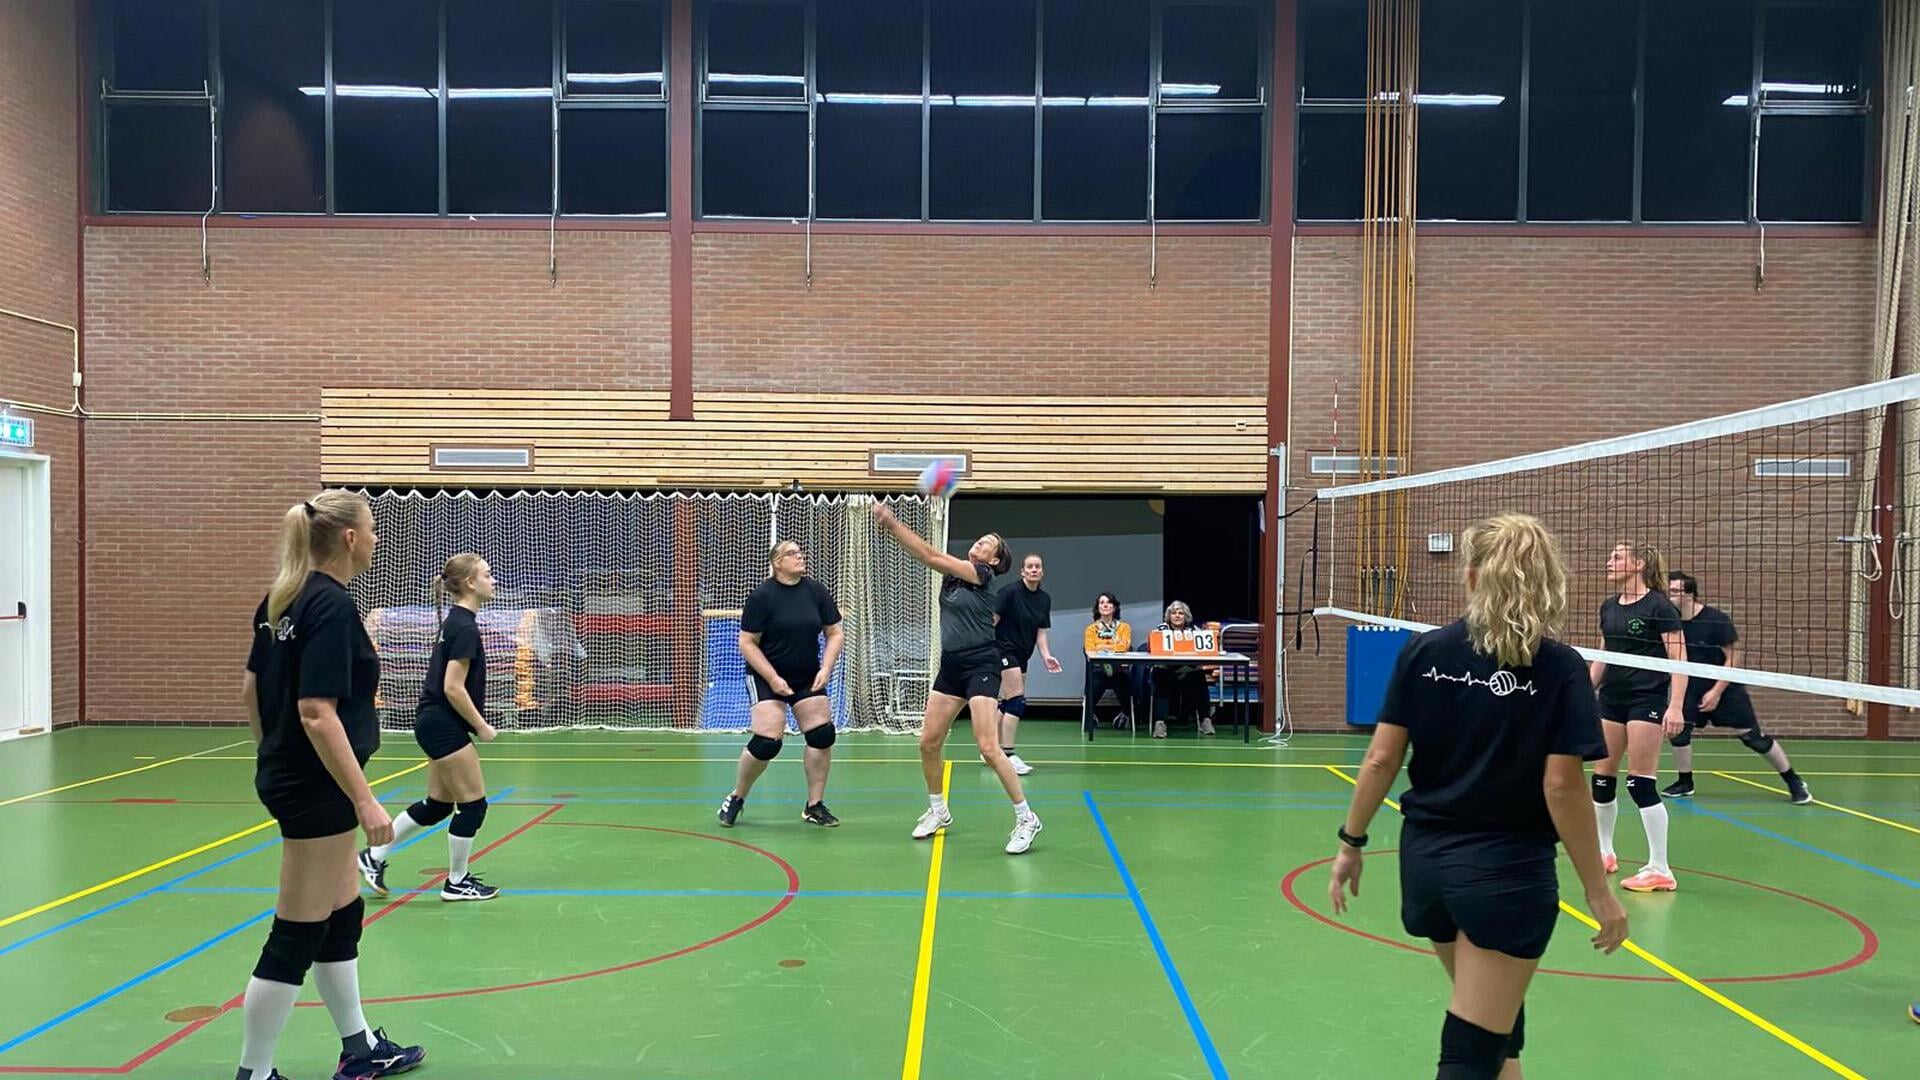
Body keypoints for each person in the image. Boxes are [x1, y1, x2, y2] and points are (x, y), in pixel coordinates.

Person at [1329, 513, 1628, 1080]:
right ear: (1547, 581)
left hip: (1426, 870)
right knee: (1472, 1049)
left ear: (1471, 577)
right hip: (1505, 875)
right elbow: (1562, 785)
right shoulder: (1561, 667)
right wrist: (1598, 890)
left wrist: (1351, 842)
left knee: (1499, 1034)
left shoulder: (1424, 650)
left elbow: (1381, 758)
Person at [239, 490, 425, 1080]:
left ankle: (359, 1047)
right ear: (348, 538)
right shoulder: (331, 607)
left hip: (300, 777)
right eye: (370, 530)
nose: (375, 539)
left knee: (341, 916)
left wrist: (274, 757)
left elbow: (252, 694)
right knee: (296, 931)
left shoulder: (281, 598)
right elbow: (316, 711)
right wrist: (364, 800)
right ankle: (256, 1071)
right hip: (317, 790)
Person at [871, 502, 1042, 854]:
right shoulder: (957, 576)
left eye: (987, 544)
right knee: (928, 742)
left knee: (988, 746)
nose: (979, 544)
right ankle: (938, 810)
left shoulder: (983, 575)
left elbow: (931, 556)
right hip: (951, 664)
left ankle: (1027, 818)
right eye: (979, 540)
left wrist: (892, 523)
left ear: (994, 560)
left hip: (982, 663)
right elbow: (934, 560)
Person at [359, 553, 503, 902]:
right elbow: (453, 687)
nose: (493, 579)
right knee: (473, 806)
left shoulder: (457, 621)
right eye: (487, 574)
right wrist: (482, 726)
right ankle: (457, 882)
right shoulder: (464, 626)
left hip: (434, 722)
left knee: (439, 804)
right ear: (470, 583)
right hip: (442, 724)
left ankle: (373, 855)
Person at [717, 539, 846, 828]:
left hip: (807, 675)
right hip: (766, 675)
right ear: (777, 563)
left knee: (822, 735)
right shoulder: (763, 596)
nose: (800, 557)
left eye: (801, 552)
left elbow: (834, 632)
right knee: (767, 743)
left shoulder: (816, 591)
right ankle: (737, 797)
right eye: (792, 553)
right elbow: (747, 643)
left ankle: (815, 805)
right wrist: (774, 679)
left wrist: (826, 667)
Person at [1660, 572, 1810, 804]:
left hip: (1725, 688)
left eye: (1674, 592)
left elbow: (1733, 657)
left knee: (1753, 738)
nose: (1669, 597)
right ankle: (1684, 781)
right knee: (1679, 733)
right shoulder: (1671, 623)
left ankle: (1793, 781)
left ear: (1688, 594)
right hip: (1689, 686)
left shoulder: (1716, 619)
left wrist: (1716, 692)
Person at [1590, 541, 1688, 893]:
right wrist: (1585, 694)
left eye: (1616, 556)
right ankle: (1603, 852)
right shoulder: (1608, 606)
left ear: (1639, 564)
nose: (1609, 561)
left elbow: (1679, 659)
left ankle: (1660, 867)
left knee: (1639, 781)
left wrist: (1675, 706)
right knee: (1602, 778)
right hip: (1611, 700)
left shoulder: (1659, 606)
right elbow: (1603, 652)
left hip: (1645, 698)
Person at [990, 553, 1061, 775]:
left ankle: (989, 748)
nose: (1033, 570)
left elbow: (1041, 632)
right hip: (1003, 649)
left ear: (1042, 572)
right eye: (1029, 566)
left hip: (1023, 654)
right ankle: (1008, 754)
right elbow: (992, 620)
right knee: (1017, 701)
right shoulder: (1009, 593)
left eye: (1037, 567)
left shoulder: (1044, 599)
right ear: (1022, 571)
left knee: (1007, 702)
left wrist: (1046, 655)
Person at [1149, 601, 1216, 739]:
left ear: (1186, 616)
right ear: (1169, 616)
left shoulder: (1195, 631)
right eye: (1174, 613)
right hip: (1167, 672)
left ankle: (1205, 720)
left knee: (1199, 677)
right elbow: (1154, 652)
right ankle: (1160, 723)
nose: (1177, 616)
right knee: (1160, 676)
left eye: (1181, 613)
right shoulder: (1160, 630)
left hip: (1188, 673)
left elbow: (1202, 655)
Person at [1083, 592, 1136, 731]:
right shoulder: (1091, 629)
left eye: (1109, 602)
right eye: (1102, 602)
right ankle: (1090, 715)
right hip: (1098, 670)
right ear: (1098, 608)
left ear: (1114, 607)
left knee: (1126, 687)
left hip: (1119, 670)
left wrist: (1101, 646)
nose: (1105, 605)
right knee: (1093, 686)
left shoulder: (1124, 627)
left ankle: (1125, 714)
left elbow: (1123, 647)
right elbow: (1090, 650)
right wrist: (1112, 645)